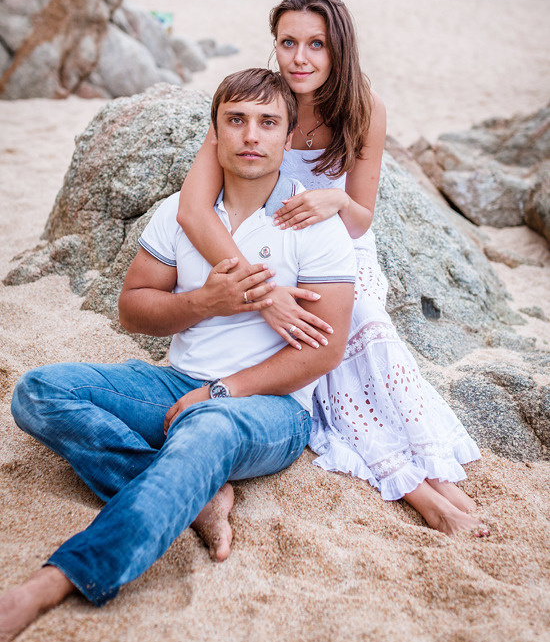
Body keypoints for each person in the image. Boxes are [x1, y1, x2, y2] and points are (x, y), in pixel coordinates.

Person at [0, 68, 356, 640]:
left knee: (207, 426)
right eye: (236, 120)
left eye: (268, 123)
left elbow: (324, 351)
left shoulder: (312, 225)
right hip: (177, 382)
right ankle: (198, 495)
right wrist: (204, 304)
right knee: (39, 392)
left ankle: (58, 580)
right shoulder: (180, 213)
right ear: (214, 132)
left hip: (271, 407)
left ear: (288, 137)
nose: (251, 135)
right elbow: (133, 308)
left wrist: (220, 393)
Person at [176, 0, 490, 538]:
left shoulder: (363, 107)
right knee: (315, 333)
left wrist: (336, 201)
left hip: (339, 240)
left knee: (362, 317)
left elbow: (361, 217)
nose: (299, 58)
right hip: (268, 246)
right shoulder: (261, 101)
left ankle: (434, 468)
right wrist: (261, 292)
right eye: (288, 42)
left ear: (338, 46)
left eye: (315, 44)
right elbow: (192, 210)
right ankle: (420, 492)